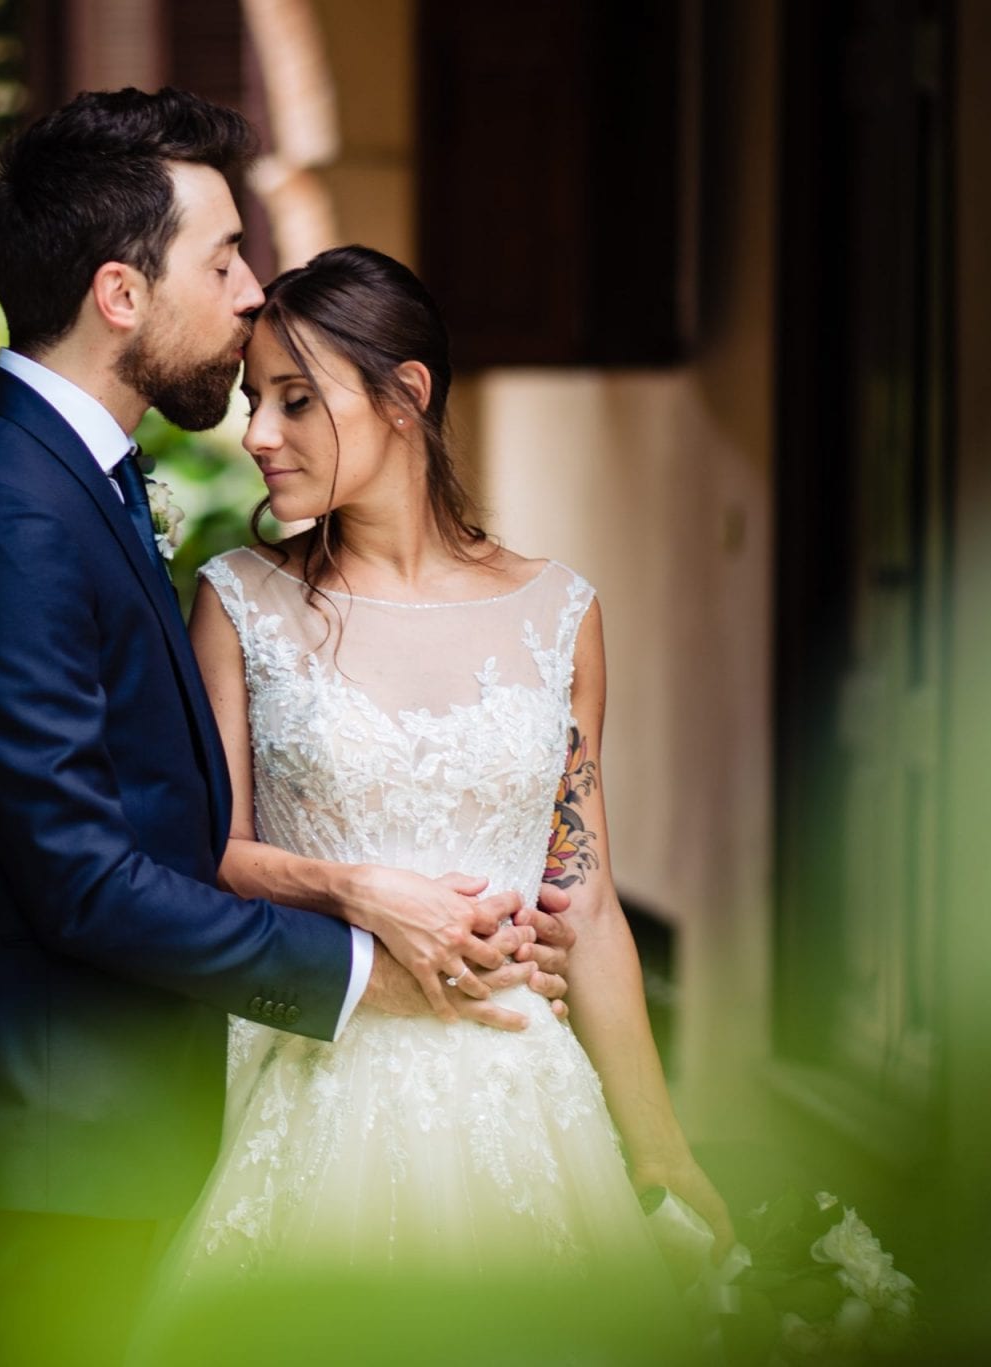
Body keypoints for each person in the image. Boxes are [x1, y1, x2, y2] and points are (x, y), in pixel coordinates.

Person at [0, 91, 576, 1366]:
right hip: (40, 1154)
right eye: (224, 258)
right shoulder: (3, 511)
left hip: (100, 1141)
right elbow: (79, 875)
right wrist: (363, 964)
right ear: (120, 294)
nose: (252, 292)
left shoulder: (65, 482)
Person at [148, 244, 734, 1313]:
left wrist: (659, 1151)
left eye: (294, 400)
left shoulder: (559, 611)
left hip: (520, 1091)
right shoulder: (234, 600)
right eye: (250, 400)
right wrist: (357, 891)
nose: (257, 433)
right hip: (320, 1084)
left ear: (404, 394)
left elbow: (584, 892)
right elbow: (208, 855)